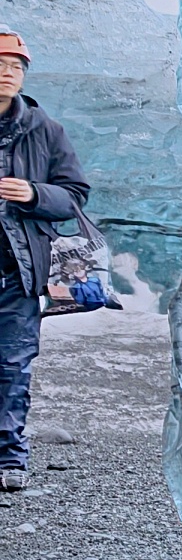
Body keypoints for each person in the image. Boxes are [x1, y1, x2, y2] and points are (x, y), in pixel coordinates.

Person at [0, 31, 90, 494]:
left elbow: (75, 195)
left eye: (16, 67)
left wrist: (35, 194)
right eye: (0, 65)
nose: (8, 73)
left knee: (12, 365)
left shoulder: (46, 130)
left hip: (16, 272)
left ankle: (9, 459)